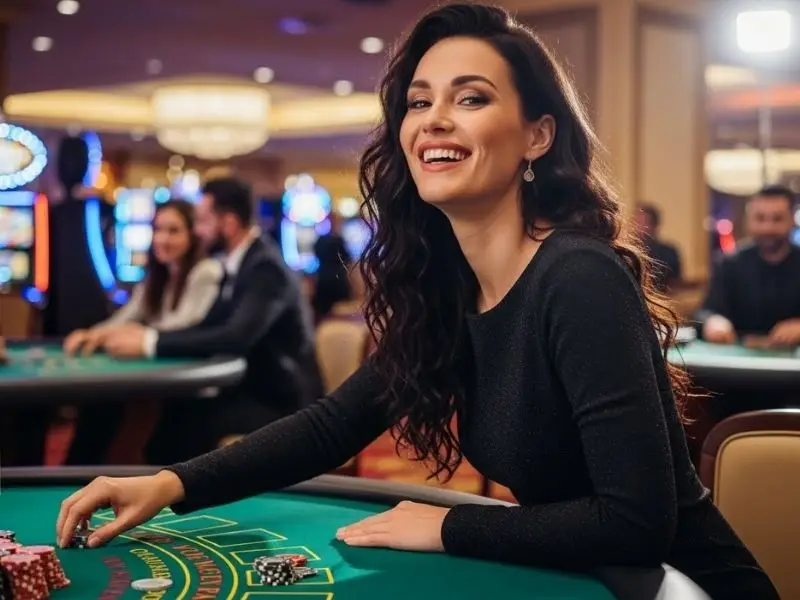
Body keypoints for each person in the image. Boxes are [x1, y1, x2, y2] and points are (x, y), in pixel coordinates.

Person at [54, 5, 778, 599]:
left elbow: (636, 522)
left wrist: (446, 527)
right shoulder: (453, 290)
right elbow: (333, 425)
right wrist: (170, 482)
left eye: (471, 98)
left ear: (537, 136)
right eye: (419, 101)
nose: (433, 119)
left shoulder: (577, 277)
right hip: (584, 578)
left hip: (685, 587)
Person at [99, 176, 321, 463]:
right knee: (171, 416)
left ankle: (171, 488)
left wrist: (149, 342)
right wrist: (149, 337)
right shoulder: (239, 262)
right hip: (251, 389)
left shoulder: (265, 268)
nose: (198, 230)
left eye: (203, 220)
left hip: (283, 403)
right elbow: (208, 327)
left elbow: (236, 336)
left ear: (228, 223)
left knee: (179, 428)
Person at [62, 199, 223, 465]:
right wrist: (92, 334)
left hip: (188, 385)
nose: (163, 238)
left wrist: (136, 332)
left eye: (173, 231)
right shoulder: (158, 275)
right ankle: (76, 472)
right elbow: (127, 316)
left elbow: (184, 325)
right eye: (158, 229)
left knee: (110, 412)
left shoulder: (206, 271)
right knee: (99, 406)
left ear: (192, 235)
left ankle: (84, 470)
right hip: (159, 380)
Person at [697, 184, 800, 347]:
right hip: (738, 357)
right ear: (749, 220)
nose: (767, 227)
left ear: (792, 221)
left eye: (777, 219)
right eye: (760, 218)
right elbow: (707, 311)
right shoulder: (730, 263)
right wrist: (714, 322)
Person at [634, 203, 682, 293]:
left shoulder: (669, 253)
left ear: (654, 226)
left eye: (641, 223)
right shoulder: (630, 253)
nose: (637, 228)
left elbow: (675, 285)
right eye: (636, 223)